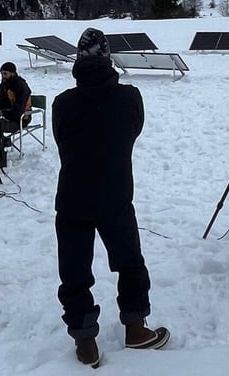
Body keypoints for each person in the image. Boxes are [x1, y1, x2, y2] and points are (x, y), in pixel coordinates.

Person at [52, 28, 170, 368]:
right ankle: (135, 329)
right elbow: (133, 131)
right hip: (115, 193)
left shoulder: (63, 104)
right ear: (107, 58)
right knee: (129, 261)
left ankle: (85, 341)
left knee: (74, 270)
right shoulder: (130, 98)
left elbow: (62, 140)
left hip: (73, 195)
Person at [0, 61, 32, 132]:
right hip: (5, 116)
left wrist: (3, 113)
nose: (3, 76)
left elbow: (19, 109)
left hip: (21, 119)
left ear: (13, 73)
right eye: (1, 74)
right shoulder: (4, 84)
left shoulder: (21, 86)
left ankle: (1, 142)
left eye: (5, 74)